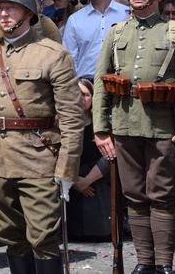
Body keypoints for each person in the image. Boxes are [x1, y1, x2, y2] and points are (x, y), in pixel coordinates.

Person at [0, 0, 84, 274]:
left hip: (37, 158)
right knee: (11, 238)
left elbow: (72, 119)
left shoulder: (53, 55)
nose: (3, 14)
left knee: (42, 237)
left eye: (10, 8)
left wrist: (66, 169)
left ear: (28, 13)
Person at [92, 0, 175, 274]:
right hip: (125, 126)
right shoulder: (116, 32)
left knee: (163, 195)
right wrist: (101, 129)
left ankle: (163, 260)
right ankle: (144, 260)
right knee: (135, 196)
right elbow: (102, 83)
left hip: (163, 127)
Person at [62, 0, 130, 80]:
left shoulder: (126, 14)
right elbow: (69, 60)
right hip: (87, 84)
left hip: (120, 82)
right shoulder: (75, 19)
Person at [67, 78, 111, 240]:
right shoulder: (63, 125)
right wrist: (75, 180)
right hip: (70, 178)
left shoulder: (102, 125)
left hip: (98, 180)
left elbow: (109, 156)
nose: (81, 98)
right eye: (76, 94)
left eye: (85, 94)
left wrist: (86, 182)